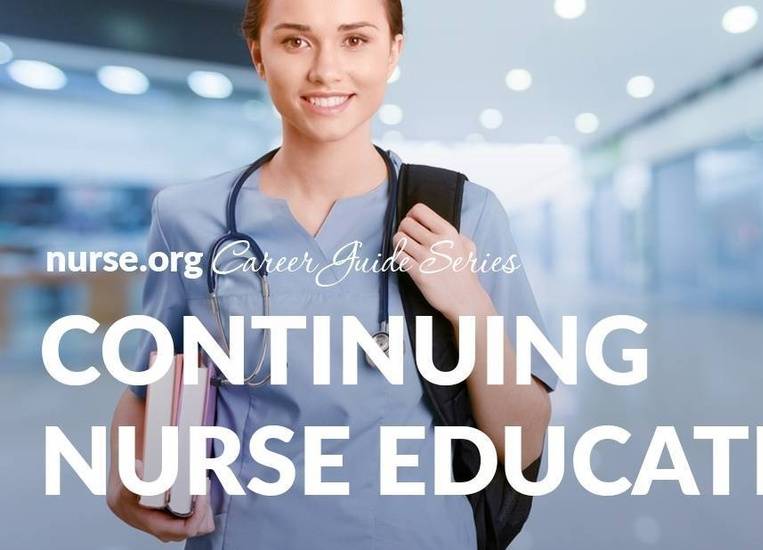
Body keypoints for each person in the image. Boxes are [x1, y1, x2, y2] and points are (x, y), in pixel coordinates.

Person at [105, 0, 558, 548]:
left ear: (393, 52)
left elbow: (522, 442)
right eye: (296, 41)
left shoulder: (462, 213)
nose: (325, 70)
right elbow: (147, 386)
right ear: (259, 55)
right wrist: (123, 482)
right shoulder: (187, 216)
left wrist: (469, 304)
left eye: (355, 40)